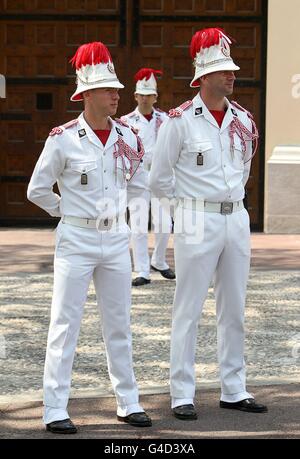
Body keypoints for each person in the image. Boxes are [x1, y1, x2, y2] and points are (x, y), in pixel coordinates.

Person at [27, 41, 152, 433]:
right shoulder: (63, 138)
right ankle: (54, 408)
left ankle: (128, 401)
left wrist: (119, 215)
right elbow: (37, 189)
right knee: (64, 324)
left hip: (115, 240)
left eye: (117, 89)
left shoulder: (129, 137)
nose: (118, 95)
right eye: (110, 89)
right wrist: (66, 212)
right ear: (87, 95)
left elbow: (140, 184)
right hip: (76, 242)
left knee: (119, 324)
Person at [149, 28, 267, 420]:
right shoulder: (180, 121)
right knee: (189, 307)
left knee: (233, 307)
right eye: (223, 70)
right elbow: (158, 179)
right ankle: (181, 392)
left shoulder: (244, 120)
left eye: (232, 69)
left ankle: (234, 388)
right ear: (203, 77)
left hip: (235, 216)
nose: (232, 75)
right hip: (196, 216)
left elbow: (245, 168)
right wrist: (182, 215)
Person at [121, 68, 175, 286]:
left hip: (161, 177)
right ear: (135, 96)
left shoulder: (166, 119)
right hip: (137, 177)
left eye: (149, 94)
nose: (145, 99)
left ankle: (159, 261)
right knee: (139, 225)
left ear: (155, 96)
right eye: (141, 95)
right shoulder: (125, 121)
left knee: (164, 224)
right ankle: (141, 270)